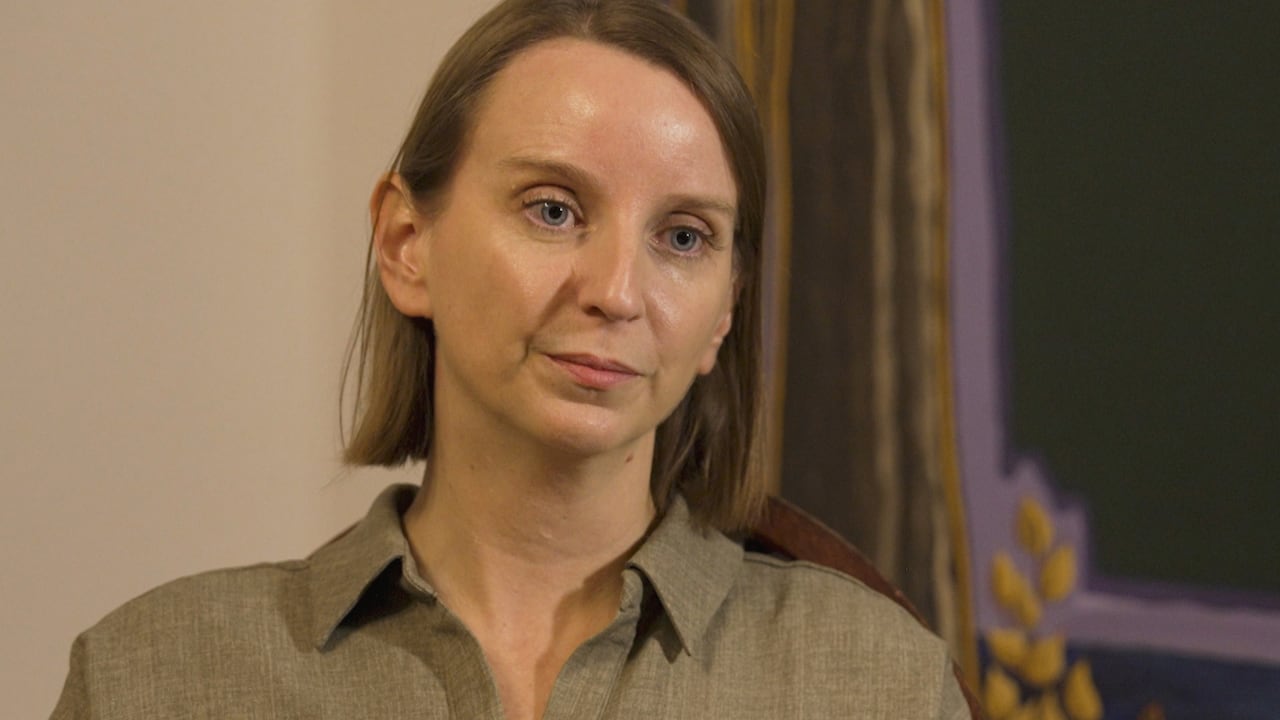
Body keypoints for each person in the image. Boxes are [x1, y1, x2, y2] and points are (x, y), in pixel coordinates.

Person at [52, 0, 970, 717]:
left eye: (684, 237)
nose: (616, 290)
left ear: (726, 310)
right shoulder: (153, 680)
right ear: (406, 244)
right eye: (553, 210)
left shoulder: (878, 685)